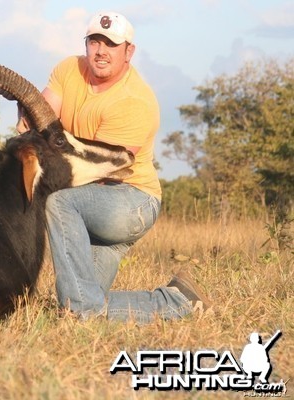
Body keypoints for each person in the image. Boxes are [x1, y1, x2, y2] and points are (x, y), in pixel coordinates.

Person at [24, 11, 212, 323]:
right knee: (82, 309)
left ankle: (85, 306)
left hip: (129, 201)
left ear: (129, 52)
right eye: (94, 42)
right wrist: (27, 120)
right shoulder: (69, 69)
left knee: (57, 202)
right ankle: (178, 301)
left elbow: (99, 173)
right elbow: (41, 118)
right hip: (90, 205)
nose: (100, 51)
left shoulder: (134, 101)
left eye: (111, 44)